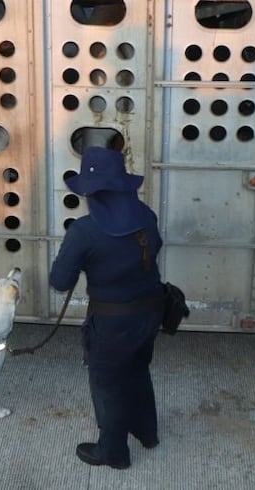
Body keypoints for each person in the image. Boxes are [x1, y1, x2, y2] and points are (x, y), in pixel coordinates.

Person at [49, 146, 164, 470]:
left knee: (108, 385)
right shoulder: (146, 214)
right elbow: (156, 247)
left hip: (113, 323)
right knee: (137, 370)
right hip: (151, 310)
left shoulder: (84, 231)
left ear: (91, 191)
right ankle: (147, 433)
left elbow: (59, 281)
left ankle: (113, 453)